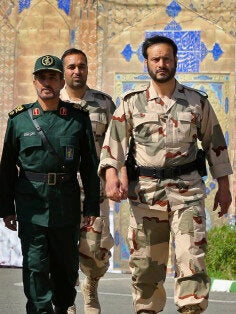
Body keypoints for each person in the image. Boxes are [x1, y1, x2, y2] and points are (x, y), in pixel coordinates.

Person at [99, 35, 232, 314]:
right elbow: (114, 146)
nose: (162, 64)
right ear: (146, 63)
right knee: (146, 264)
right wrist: (111, 177)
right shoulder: (131, 103)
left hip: (188, 194)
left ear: (175, 61)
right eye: (156, 59)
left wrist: (224, 187)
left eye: (167, 58)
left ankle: (191, 309)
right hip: (146, 196)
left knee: (191, 259)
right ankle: (146, 310)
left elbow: (214, 145)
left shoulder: (196, 102)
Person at [0, 54, 100, 313]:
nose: (47, 82)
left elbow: (89, 166)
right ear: (34, 81)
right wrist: (6, 209)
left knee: (65, 270)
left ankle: (64, 305)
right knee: (35, 267)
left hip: (65, 205)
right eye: (42, 77)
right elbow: (7, 167)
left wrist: (91, 208)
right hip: (31, 206)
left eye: (53, 77)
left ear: (61, 81)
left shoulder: (77, 118)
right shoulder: (19, 120)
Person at [59, 48, 117, 314]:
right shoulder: (52, 101)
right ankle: (67, 299)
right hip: (61, 190)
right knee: (63, 247)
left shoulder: (103, 103)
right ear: (63, 71)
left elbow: (117, 145)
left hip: (95, 191)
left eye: (81, 66)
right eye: (71, 67)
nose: (77, 71)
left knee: (96, 248)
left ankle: (91, 286)